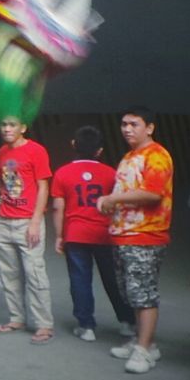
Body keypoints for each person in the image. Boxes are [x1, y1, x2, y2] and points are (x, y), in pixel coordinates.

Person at [97, 107, 173, 374]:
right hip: (123, 236)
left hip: (146, 236)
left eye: (134, 124)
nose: (127, 129)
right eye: (124, 124)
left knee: (143, 295)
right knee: (131, 293)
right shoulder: (130, 156)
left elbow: (153, 194)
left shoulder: (157, 155)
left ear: (149, 127)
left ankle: (145, 350)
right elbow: (127, 192)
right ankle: (143, 342)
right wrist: (110, 206)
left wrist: (113, 199)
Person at [50, 125, 133, 343]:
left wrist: (59, 236)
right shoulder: (110, 173)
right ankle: (126, 322)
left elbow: (58, 207)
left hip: (75, 234)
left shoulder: (62, 173)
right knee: (113, 279)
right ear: (100, 151)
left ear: (73, 145)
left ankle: (86, 326)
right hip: (105, 235)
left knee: (80, 279)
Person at [0, 116, 54, 344]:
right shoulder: (1, 152)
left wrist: (36, 221)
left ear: (23, 128)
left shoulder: (36, 151)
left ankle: (44, 325)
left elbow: (43, 186)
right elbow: (0, 179)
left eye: (12, 125)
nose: (7, 129)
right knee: (9, 273)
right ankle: (16, 318)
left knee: (34, 273)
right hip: (4, 221)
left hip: (28, 221)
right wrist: (3, 197)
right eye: (3, 124)